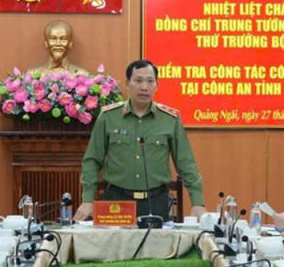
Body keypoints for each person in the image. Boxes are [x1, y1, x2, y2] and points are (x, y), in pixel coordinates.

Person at [75, 59, 206, 221]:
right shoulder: (108, 117)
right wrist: (87, 200)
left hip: (156, 202)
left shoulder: (170, 119)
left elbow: (186, 163)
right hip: (117, 202)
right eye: (138, 80)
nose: (144, 87)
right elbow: (92, 161)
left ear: (156, 85)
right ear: (127, 84)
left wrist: (197, 202)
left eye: (150, 81)